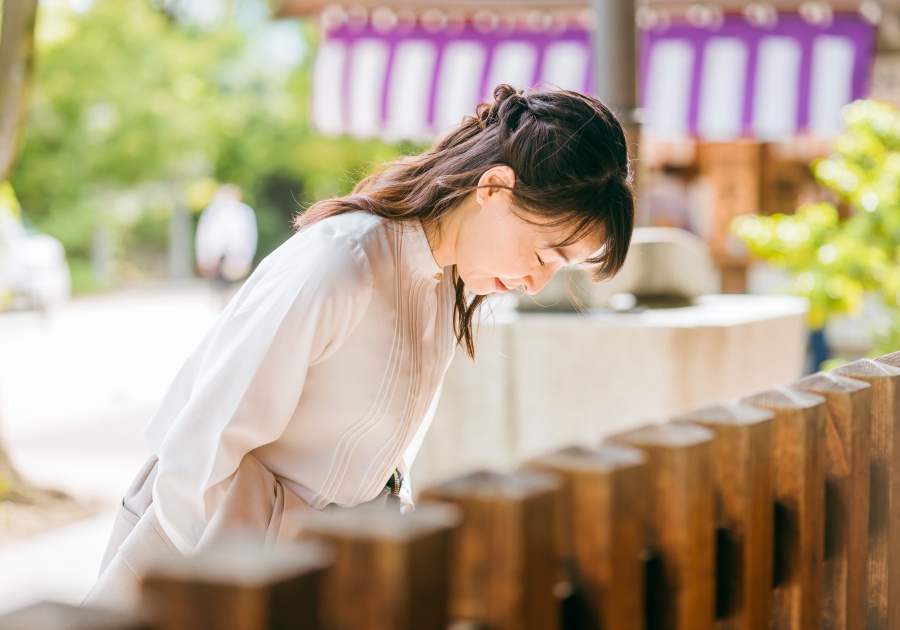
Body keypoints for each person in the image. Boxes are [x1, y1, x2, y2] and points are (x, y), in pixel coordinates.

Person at [83, 84, 635, 611]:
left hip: (297, 565)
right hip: (206, 558)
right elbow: (198, 455)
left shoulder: (442, 280)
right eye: (542, 255)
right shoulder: (342, 263)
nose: (536, 284)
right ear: (492, 188)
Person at [194, 184, 258, 282]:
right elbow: (203, 236)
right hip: (214, 256)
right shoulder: (211, 211)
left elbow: (249, 237)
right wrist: (203, 257)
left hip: (236, 256)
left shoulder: (244, 212)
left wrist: (246, 258)